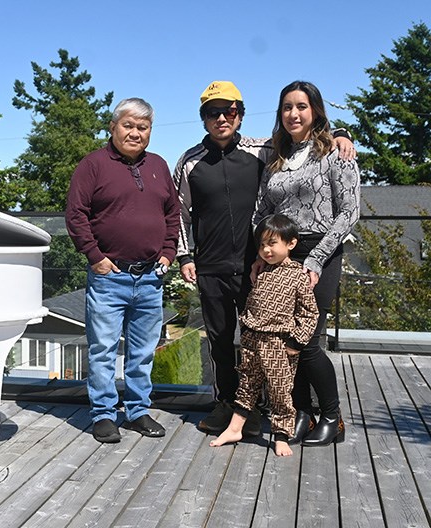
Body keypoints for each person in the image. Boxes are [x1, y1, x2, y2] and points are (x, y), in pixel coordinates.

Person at [172, 81, 354, 437]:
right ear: (203, 118)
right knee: (221, 340)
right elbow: (179, 213)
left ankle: (286, 409)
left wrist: (342, 133)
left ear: (240, 114)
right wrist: (183, 254)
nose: (222, 118)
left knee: (277, 339)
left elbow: (304, 136)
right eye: (213, 112)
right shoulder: (189, 160)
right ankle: (228, 404)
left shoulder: (264, 150)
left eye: (230, 111)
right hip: (211, 265)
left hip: (260, 265)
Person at [66, 97, 181, 443]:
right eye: (128, 125)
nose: (135, 132)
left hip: (150, 277)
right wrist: (95, 257)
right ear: (113, 127)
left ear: (150, 132)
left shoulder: (159, 166)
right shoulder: (93, 165)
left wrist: (168, 253)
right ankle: (103, 414)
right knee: (103, 349)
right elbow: (76, 215)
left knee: (143, 351)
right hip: (109, 276)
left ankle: (137, 411)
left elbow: (172, 215)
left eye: (142, 127)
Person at [253, 80, 360, 446]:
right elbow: (262, 212)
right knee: (284, 338)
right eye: (286, 107)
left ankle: (332, 417)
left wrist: (315, 260)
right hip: (282, 254)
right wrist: (260, 255)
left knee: (308, 341)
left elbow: (349, 212)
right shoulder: (277, 158)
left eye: (301, 106)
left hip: (322, 253)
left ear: (314, 110)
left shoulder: (335, 153)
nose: (293, 114)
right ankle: (301, 413)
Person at [210, 214, 318, 456]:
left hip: (279, 342)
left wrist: (297, 341)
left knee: (280, 390)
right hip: (253, 338)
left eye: (273, 243)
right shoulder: (260, 271)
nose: (266, 250)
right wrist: (247, 328)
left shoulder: (298, 275)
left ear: (291, 243)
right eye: (262, 245)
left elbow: (310, 313)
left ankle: (281, 435)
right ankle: (235, 428)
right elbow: (253, 302)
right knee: (247, 385)